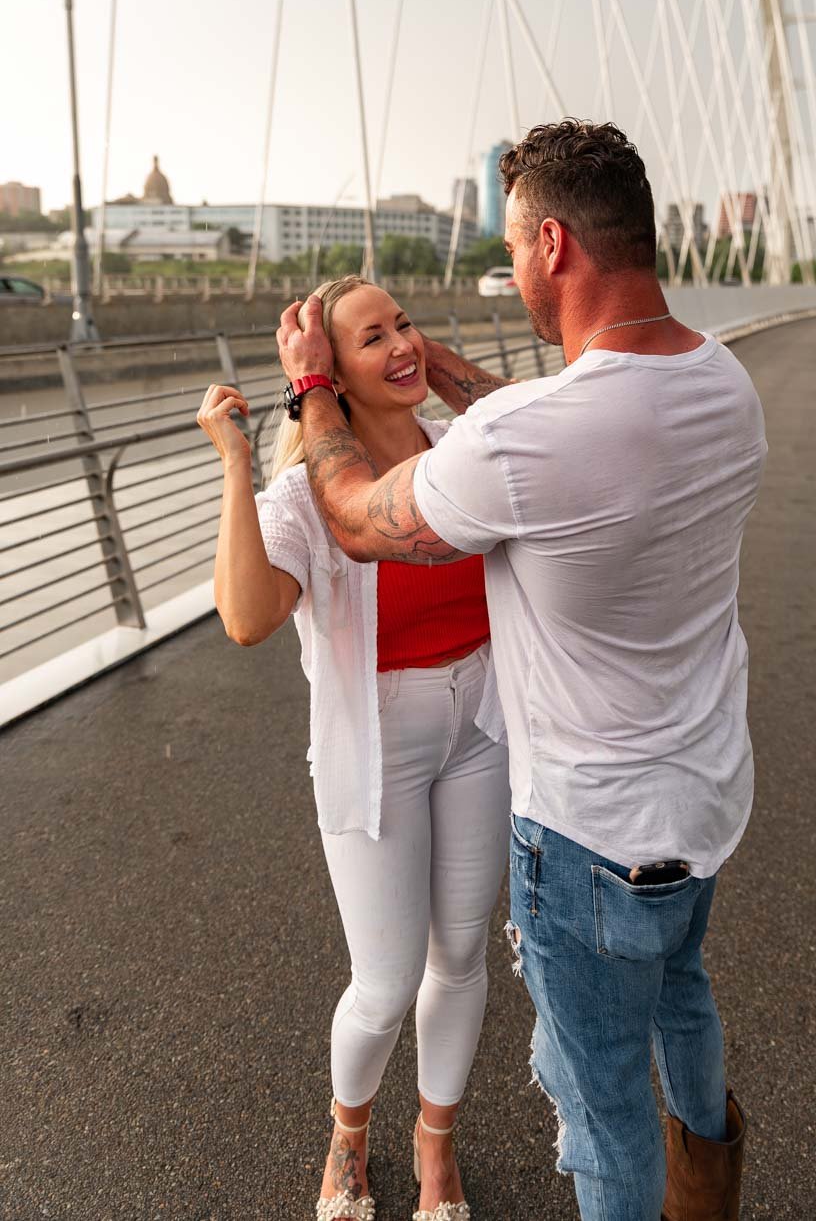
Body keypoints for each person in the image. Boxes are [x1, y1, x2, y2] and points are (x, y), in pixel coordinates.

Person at [275, 120, 768, 1221]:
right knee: (681, 1001)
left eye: (509, 250)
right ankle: (709, 1193)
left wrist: (314, 384)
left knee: (603, 1113)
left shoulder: (531, 439)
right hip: (703, 806)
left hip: (590, 837)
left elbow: (353, 515)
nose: (507, 269)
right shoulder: (722, 383)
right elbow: (563, 424)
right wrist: (442, 371)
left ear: (552, 246)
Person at [197, 275, 510, 1221]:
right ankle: (349, 1132)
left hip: (482, 724)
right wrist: (237, 466)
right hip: (379, 741)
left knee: (461, 954)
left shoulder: (462, 450)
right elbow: (247, 618)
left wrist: (431, 364)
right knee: (383, 983)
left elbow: (556, 426)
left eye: (405, 324)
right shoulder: (304, 497)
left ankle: (436, 1145)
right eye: (373, 337)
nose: (402, 344)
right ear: (330, 372)